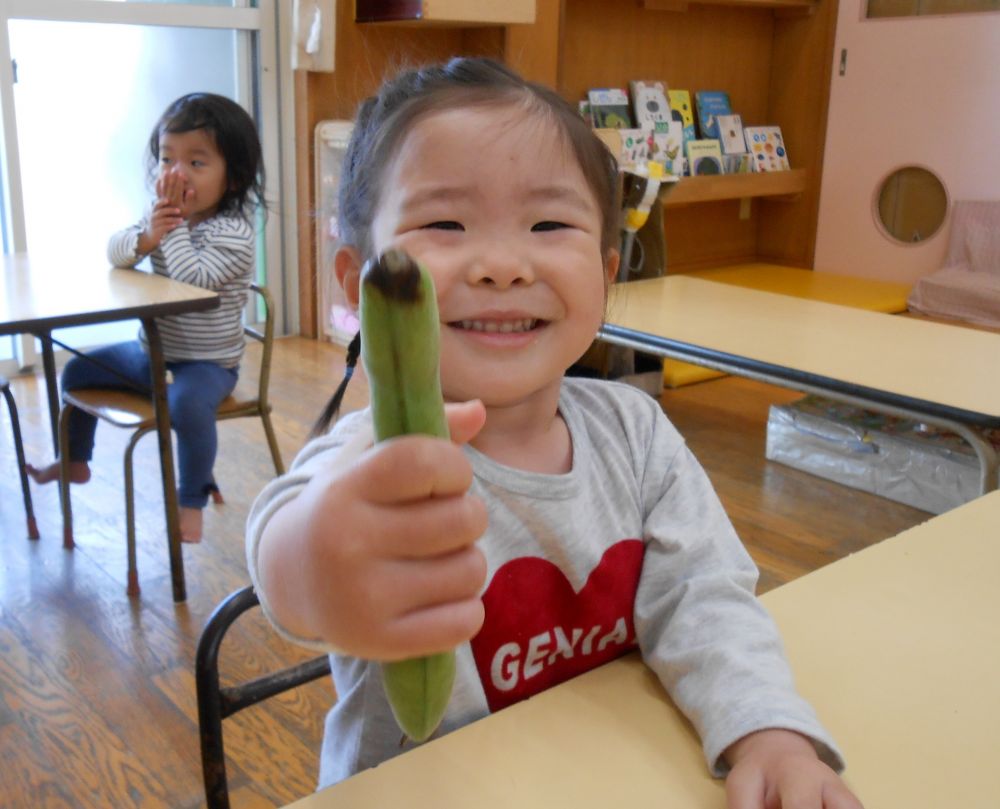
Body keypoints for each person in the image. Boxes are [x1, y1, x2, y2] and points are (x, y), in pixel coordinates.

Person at [246, 58, 863, 807]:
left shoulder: (634, 431)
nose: (504, 265)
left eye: (548, 224)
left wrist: (766, 729)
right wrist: (315, 560)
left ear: (606, 272)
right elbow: (285, 542)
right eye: (445, 222)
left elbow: (704, 595)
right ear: (361, 281)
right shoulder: (383, 459)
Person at [28, 92, 265, 544]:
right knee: (77, 371)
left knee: (188, 407)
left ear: (232, 179)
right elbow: (116, 254)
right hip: (151, 354)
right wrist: (145, 238)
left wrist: (168, 228)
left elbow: (194, 280)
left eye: (196, 163)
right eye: (166, 158)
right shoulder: (160, 217)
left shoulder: (234, 233)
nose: (176, 174)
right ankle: (76, 459)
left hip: (206, 364)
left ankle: (190, 500)